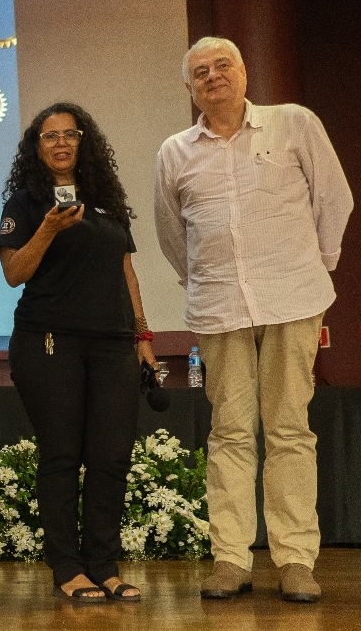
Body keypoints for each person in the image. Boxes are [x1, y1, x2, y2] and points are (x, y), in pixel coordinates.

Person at [155, 36, 353, 603]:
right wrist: (201, 281)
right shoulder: (175, 151)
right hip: (219, 308)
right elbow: (173, 235)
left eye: (223, 66)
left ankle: (294, 560)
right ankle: (231, 559)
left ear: (243, 73)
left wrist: (316, 271)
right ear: (188, 87)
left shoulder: (293, 123)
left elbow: (334, 201)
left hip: (292, 300)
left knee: (290, 428)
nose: (212, 76)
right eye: (200, 71)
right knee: (230, 433)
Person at [0, 102, 156, 604]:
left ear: (83, 142)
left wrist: (144, 337)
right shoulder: (23, 203)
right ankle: (67, 566)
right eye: (50, 136)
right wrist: (48, 228)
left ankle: (104, 565)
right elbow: (14, 272)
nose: (61, 142)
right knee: (62, 455)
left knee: (110, 457)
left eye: (70, 134)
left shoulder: (104, 199)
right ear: (35, 147)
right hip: (49, 340)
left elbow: (125, 271)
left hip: (113, 343)